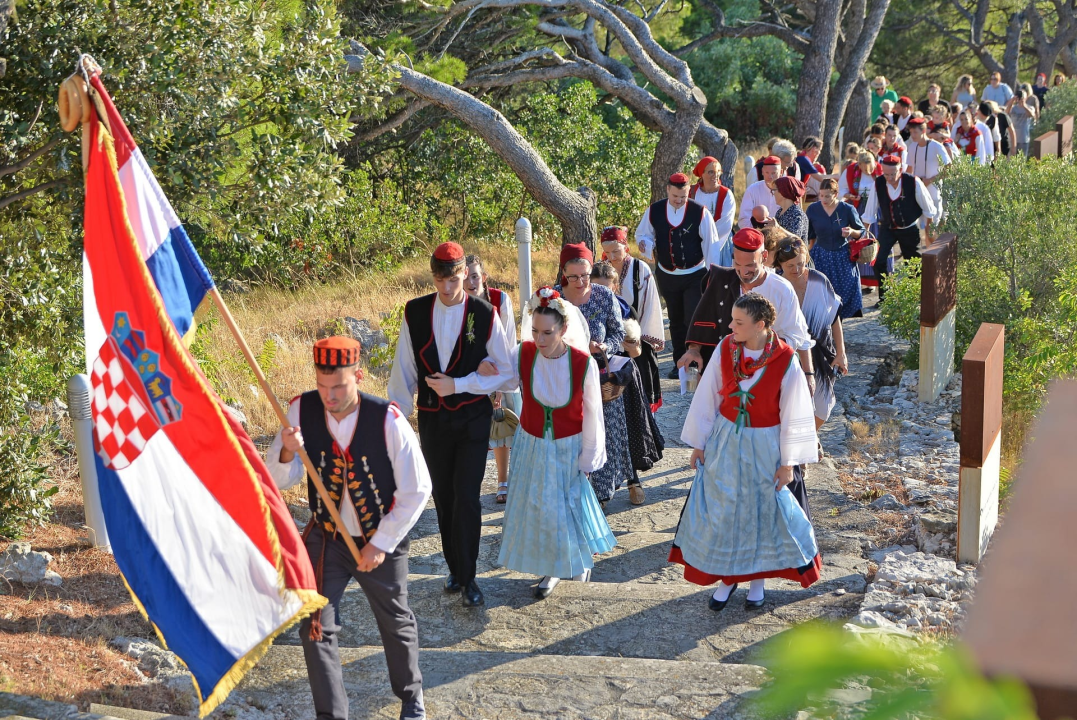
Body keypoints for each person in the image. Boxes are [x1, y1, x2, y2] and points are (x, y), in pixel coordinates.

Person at [267, 336, 431, 720]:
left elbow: (418, 489)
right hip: (327, 539)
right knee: (316, 625)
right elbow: (279, 478)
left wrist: (382, 543)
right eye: (323, 386)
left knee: (395, 620)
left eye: (338, 386)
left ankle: (411, 697)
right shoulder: (299, 409)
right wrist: (287, 450)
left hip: (379, 537)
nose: (329, 396)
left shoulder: (388, 420)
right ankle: (332, 715)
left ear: (358, 376)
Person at [669, 293, 821, 611]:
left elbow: (795, 412)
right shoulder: (726, 348)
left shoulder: (785, 359)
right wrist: (699, 442)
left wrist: (789, 463)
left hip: (766, 446)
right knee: (726, 509)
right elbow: (709, 395)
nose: (730, 326)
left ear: (760, 325)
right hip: (726, 443)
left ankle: (757, 583)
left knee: (761, 513)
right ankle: (728, 578)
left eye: (739, 322)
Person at [388, 241, 514, 608]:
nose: (447, 288)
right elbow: (404, 373)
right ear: (433, 277)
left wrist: (464, 383)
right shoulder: (414, 312)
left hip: (473, 419)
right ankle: (455, 568)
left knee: (467, 497)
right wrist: (396, 421)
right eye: (440, 281)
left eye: (454, 279)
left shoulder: (484, 313)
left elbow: (509, 375)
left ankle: (471, 576)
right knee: (443, 497)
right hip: (432, 421)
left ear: (464, 274)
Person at [497, 287, 616, 599]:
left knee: (566, 508)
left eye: (547, 332)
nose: (540, 339)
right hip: (532, 445)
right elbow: (500, 378)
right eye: (535, 331)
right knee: (541, 509)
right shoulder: (523, 354)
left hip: (568, 446)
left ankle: (573, 563)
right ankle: (553, 567)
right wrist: (470, 378)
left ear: (564, 329)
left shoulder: (582, 364)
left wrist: (588, 461)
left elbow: (593, 415)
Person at [555, 243, 634, 505]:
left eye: (585, 275)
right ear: (563, 272)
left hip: (600, 381)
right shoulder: (552, 298)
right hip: (564, 381)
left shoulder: (602, 295)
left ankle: (598, 500)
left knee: (602, 438)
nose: (580, 282)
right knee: (571, 439)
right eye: (574, 276)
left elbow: (617, 334)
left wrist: (604, 347)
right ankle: (570, 494)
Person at [679, 228, 812, 378]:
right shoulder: (721, 280)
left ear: (764, 256)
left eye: (750, 265)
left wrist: (808, 374)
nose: (743, 272)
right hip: (724, 372)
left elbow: (797, 334)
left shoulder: (781, 289)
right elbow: (704, 320)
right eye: (737, 264)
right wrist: (693, 350)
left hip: (768, 372)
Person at [589, 261, 665, 506]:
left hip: (623, 378)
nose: (602, 293)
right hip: (595, 378)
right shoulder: (585, 307)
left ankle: (633, 482)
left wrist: (619, 345)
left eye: (607, 288)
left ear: (616, 286)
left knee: (628, 432)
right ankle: (599, 490)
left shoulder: (623, 307)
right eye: (596, 287)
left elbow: (636, 351)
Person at [635, 172, 723, 376]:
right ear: (668, 190)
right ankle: (679, 363)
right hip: (667, 273)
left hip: (695, 274)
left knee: (692, 317)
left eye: (683, 196)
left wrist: (713, 274)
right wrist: (646, 244)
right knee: (674, 319)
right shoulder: (654, 211)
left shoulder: (700, 212)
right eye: (676, 196)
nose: (679, 200)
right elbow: (643, 234)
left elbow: (712, 243)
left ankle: (695, 360)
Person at [773, 239, 849, 432]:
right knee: (791, 407)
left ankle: (808, 437)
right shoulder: (776, 287)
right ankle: (799, 445)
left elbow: (834, 318)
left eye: (801, 263)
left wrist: (841, 353)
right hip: (789, 357)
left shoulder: (819, 280)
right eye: (790, 265)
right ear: (780, 265)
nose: (797, 269)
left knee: (822, 408)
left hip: (822, 354)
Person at [463, 254, 519, 505]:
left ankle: (507, 479)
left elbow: (507, 342)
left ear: (483, 277)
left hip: (502, 372)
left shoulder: (500, 299)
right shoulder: (457, 303)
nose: (471, 282)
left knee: (506, 425)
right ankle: (472, 483)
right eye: (465, 276)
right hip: (472, 373)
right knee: (476, 431)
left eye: (475, 275)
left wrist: (498, 385)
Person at [600, 225, 664, 413]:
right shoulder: (602, 270)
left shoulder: (640, 269)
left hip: (637, 340)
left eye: (616, 251)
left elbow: (650, 304)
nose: (612, 257)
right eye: (607, 252)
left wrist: (637, 338)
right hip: (612, 343)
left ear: (626, 247)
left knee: (640, 390)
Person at [861, 155, 939, 300]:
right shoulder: (878, 184)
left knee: (913, 264)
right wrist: (864, 234)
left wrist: (929, 230)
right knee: (878, 261)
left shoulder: (913, 182)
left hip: (909, 228)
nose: (889, 178)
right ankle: (885, 297)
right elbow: (869, 212)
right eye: (886, 174)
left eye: (893, 174)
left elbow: (928, 209)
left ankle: (915, 296)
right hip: (888, 228)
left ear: (900, 170)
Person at [806, 178, 866, 319]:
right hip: (820, 256)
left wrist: (851, 232)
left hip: (842, 256)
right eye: (821, 195)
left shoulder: (847, 209)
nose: (823, 199)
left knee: (843, 292)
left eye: (827, 196)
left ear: (836, 194)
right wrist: (808, 253)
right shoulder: (813, 209)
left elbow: (861, 231)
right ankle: (825, 326)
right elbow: (810, 235)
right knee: (822, 293)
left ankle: (839, 323)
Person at [688, 156, 736, 265]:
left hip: (720, 242)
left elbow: (725, 224)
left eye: (718, 171)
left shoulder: (726, 194)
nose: (715, 175)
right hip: (694, 242)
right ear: (702, 174)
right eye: (711, 172)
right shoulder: (691, 192)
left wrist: (709, 244)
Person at [905, 117, 951, 229]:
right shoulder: (912, 147)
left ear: (924, 131)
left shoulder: (936, 146)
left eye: (915, 132)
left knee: (932, 229)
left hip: (934, 193)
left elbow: (949, 168)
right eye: (911, 132)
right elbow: (909, 169)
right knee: (919, 230)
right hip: (917, 194)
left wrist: (929, 180)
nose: (913, 135)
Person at [739, 156, 781, 230]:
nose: (770, 176)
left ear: (781, 172)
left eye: (773, 173)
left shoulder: (787, 191)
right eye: (767, 172)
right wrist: (758, 234)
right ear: (762, 172)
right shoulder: (752, 190)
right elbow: (744, 219)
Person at [772, 176, 808, 241]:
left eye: (774, 190)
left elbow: (795, 239)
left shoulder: (797, 214)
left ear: (783, 192)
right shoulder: (779, 212)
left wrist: (777, 227)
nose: (773, 194)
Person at [1007, 89, 1037, 156]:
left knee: (1022, 160)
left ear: (1026, 97)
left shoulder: (1030, 107)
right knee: (1011, 160)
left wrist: (1024, 105)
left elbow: (1031, 115)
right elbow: (1006, 113)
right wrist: (1012, 101)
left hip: (1024, 139)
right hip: (1013, 139)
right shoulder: (1013, 108)